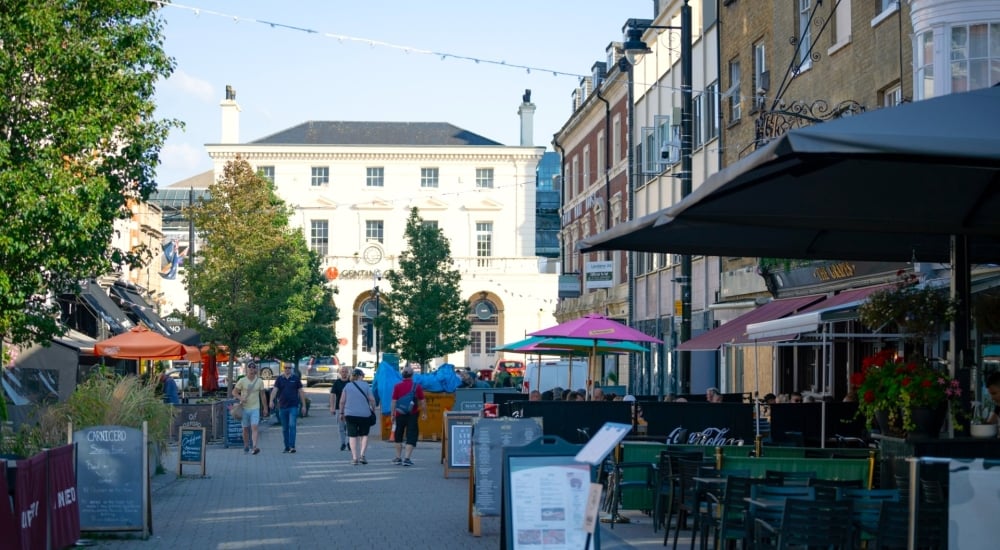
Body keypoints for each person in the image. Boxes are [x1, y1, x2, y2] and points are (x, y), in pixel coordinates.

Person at [391, 365, 426, 466]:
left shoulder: (397, 386)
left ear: (402, 375)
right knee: (411, 435)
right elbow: (423, 401)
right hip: (412, 414)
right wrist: (424, 413)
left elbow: (393, 401)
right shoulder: (417, 386)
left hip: (399, 413)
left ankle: (398, 458)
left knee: (398, 434)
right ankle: (407, 459)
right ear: (412, 375)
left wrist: (392, 414)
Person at [340, 368, 376, 465]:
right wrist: (373, 409)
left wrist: (341, 413)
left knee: (352, 436)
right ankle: (362, 455)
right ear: (360, 376)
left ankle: (354, 458)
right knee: (364, 435)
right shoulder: (366, 386)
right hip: (365, 415)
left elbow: (342, 401)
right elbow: (372, 400)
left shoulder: (347, 386)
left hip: (350, 415)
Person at [270, 364, 306, 453]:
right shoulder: (279, 379)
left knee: (292, 425)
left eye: (289, 368)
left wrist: (304, 405)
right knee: (285, 428)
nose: (287, 369)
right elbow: (275, 390)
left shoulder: (296, 378)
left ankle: (292, 446)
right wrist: (271, 400)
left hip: (293, 406)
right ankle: (286, 447)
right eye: (285, 368)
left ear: (291, 369)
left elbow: (301, 392)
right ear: (283, 369)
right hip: (282, 407)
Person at [233, 362, 264, 455]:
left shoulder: (259, 381)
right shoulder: (242, 380)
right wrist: (240, 398)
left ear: (256, 370)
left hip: (255, 407)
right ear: (247, 369)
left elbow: (262, 395)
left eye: (253, 367)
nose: (251, 369)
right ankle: (246, 445)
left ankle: (254, 446)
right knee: (245, 429)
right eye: (249, 367)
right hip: (245, 408)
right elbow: (234, 392)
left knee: (254, 427)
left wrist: (265, 407)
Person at [329, 366, 351, 451]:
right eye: (343, 371)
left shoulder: (350, 383)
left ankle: (349, 442)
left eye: (346, 371)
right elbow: (332, 395)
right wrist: (332, 407)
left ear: (348, 373)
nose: (344, 373)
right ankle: (343, 443)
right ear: (340, 373)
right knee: (341, 427)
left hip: (349, 408)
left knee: (349, 427)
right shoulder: (337, 383)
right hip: (339, 408)